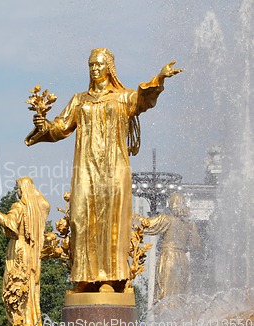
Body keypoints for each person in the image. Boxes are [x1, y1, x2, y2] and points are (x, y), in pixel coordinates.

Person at [25, 48, 182, 292]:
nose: (95, 69)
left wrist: (159, 79)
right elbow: (60, 128)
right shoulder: (80, 100)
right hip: (86, 169)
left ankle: (111, 278)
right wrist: (44, 124)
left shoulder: (121, 97)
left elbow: (142, 101)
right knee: (81, 217)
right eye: (91, 65)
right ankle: (85, 277)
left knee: (111, 221)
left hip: (114, 169)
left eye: (99, 65)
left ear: (109, 67)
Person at [0, 177, 50, 326]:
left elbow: (8, 223)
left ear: (22, 189)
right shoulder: (35, 210)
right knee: (29, 289)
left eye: (18, 188)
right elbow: (45, 204)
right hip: (30, 252)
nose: (17, 191)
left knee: (13, 290)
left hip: (17, 250)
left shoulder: (19, 207)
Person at [134, 192, 201, 304]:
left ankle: (163, 315)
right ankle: (178, 317)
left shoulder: (166, 219)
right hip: (183, 259)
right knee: (180, 294)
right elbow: (196, 244)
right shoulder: (190, 224)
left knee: (165, 291)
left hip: (168, 257)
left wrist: (134, 218)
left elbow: (147, 225)